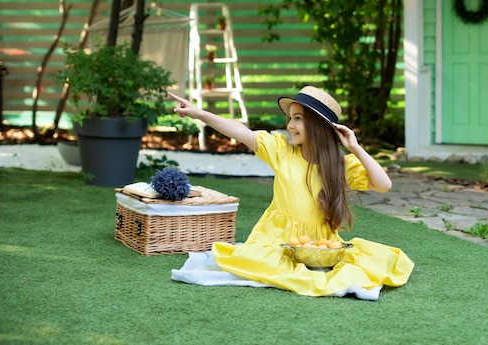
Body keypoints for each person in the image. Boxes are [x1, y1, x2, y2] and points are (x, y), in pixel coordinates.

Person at [168, 87, 414, 300]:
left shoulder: (340, 165)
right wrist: (197, 112)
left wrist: (355, 147)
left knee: (362, 263)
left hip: (318, 244)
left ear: (318, 126)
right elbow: (239, 131)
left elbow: (384, 185)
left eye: (298, 118)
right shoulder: (281, 151)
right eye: (290, 118)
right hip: (274, 237)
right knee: (259, 262)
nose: (290, 125)